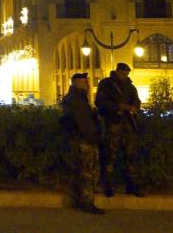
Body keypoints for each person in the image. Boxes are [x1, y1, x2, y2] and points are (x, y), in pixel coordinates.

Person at [95, 62, 144, 197]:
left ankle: (131, 185)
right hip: (112, 124)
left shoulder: (130, 87)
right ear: (117, 71)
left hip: (128, 124)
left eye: (126, 73)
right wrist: (118, 106)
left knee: (131, 156)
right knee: (110, 156)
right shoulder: (107, 84)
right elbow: (101, 102)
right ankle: (108, 186)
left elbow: (136, 101)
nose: (124, 75)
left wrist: (134, 107)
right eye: (122, 72)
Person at [61, 72, 104, 214]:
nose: (87, 84)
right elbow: (84, 123)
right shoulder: (77, 100)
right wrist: (94, 136)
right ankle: (87, 202)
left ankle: (77, 200)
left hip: (78, 139)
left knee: (80, 171)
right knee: (88, 172)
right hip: (85, 140)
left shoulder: (74, 98)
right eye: (84, 82)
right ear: (77, 83)